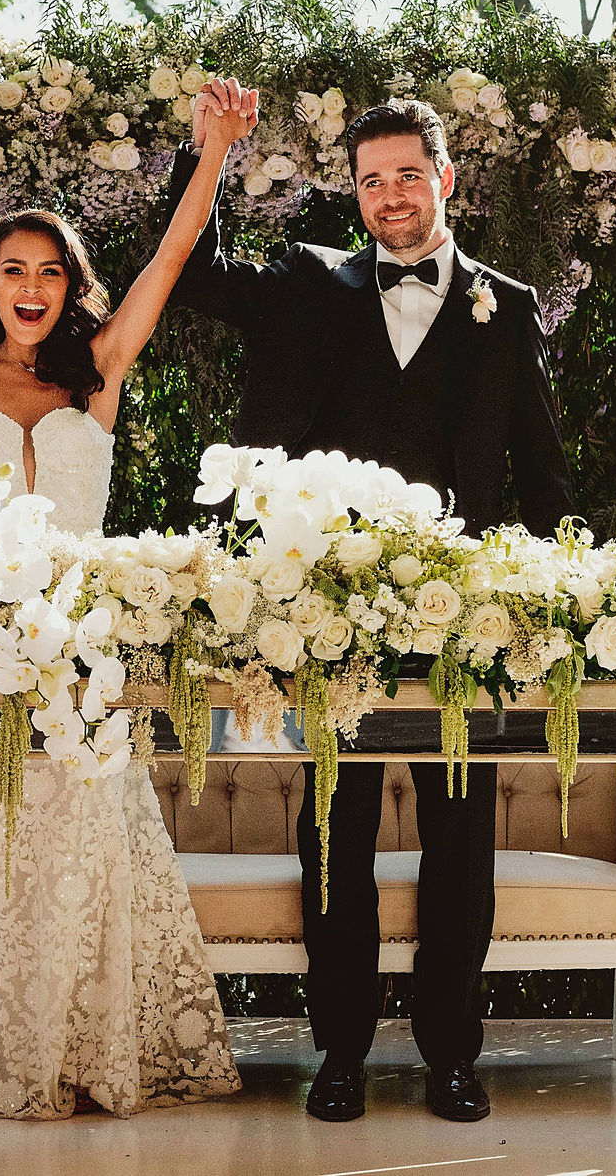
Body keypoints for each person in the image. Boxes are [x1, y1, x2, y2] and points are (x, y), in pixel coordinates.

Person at [164, 92, 577, 1123]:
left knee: (459, 840)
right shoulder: (311, 283)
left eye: (407, 173)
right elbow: (196, 278)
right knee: (334, 837)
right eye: (369, 178)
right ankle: (339, 1052)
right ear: (354, 194)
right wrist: (209, 151)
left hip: (462, 622)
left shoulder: (504, 304)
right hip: (326, 613)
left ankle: (449, 1057)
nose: (388, 194)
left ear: (445, 179)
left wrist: (557, 595)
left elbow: (540, 468)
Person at [0, 81, 260, 1119]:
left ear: (69, 288)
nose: (31, 286)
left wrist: (212, 153)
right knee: (14, 844)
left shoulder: (95, 372)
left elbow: (162, 267)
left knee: (100, 845)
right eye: (13, 271)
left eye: (50, 272)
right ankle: (19, 1054)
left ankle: (105, 1054)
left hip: (93, 649)